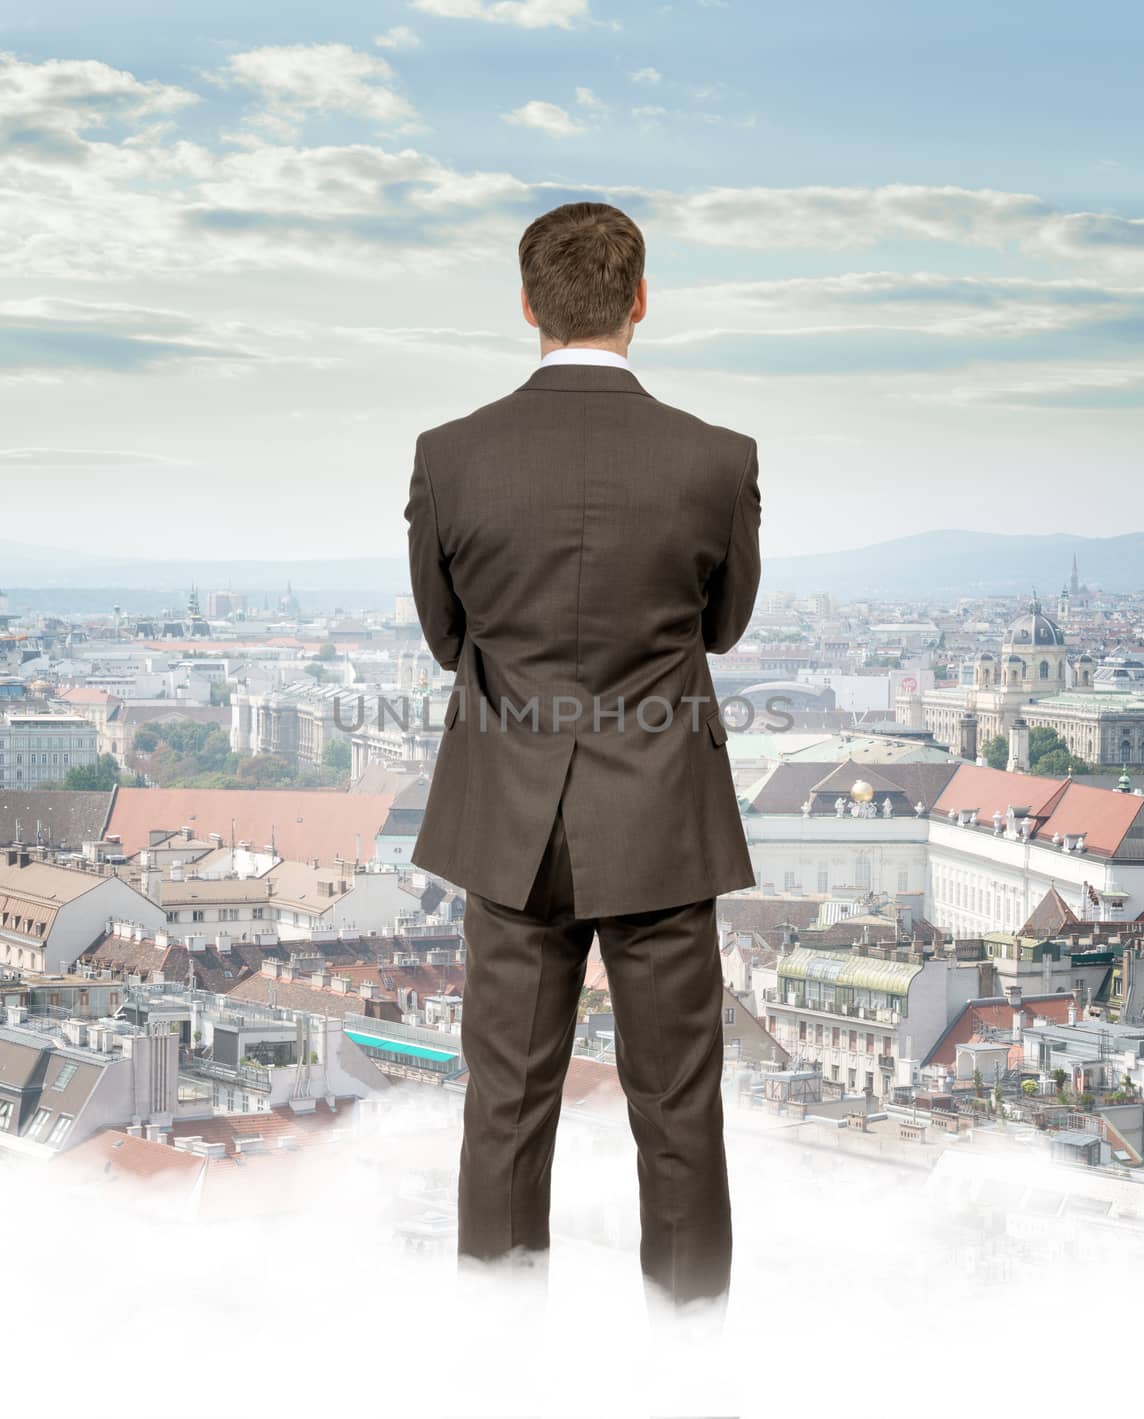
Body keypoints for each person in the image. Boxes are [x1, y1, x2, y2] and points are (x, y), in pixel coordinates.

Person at [403, 200, 761, 1316]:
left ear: (526, 305)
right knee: (680, 1116)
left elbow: (446, 638)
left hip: (506, 821)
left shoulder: (451, 456)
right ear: (641, 300)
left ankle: (502, 1370)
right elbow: (724, 627)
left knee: (504, 1110)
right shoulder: (715, 459)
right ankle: (691, 1370)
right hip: (659, 823)